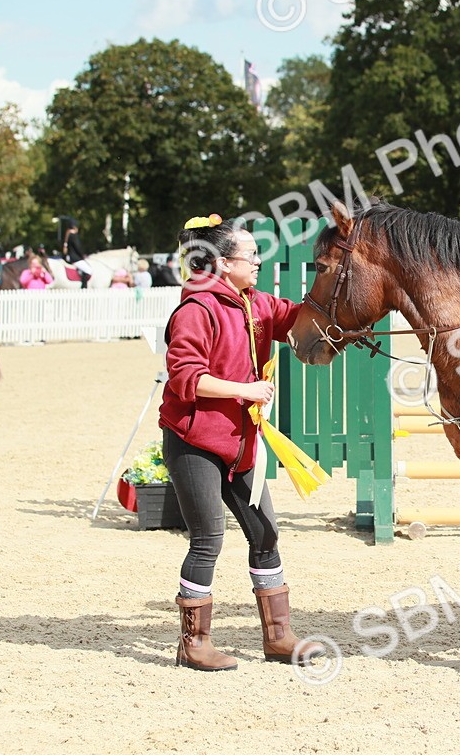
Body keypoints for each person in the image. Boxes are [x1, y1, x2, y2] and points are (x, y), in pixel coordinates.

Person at [159, 214, 323, 671]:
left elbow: (301, 319)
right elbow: (186, 378)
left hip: (240, 442)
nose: (258, 262)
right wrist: (245, 390)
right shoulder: (196, 309)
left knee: (265, 533)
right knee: (208, 539)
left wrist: (351, 299)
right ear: (222, 263)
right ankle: (193, 643)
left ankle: (278, 637)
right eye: (251, 255)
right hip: (194, 442)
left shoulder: (257, 304)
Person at [62, 220, 93, 289]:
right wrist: (83, 255)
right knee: (88, 270)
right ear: (75, 227)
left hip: (70, 257)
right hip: (75, 258)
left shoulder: (68, 235)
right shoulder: (74, 236)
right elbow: (77, 247)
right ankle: (84, 287)